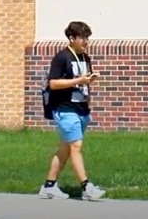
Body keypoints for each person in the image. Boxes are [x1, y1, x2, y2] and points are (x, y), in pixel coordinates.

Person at [37, 20, 106, 201]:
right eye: (82, 38)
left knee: (65, 149)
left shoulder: (85, 58)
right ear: (71, 38)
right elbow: (53, 83)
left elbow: (84, 82)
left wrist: (88, 86)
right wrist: (78, 81)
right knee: (76, 146)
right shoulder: (62, 58)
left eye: (87, 38)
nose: (85, 42)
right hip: (65, 109)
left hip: (81, 109)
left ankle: (48, 186)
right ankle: (86, 187)